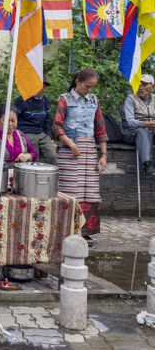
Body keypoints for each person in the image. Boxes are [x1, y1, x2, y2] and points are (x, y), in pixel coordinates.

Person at [52, 68, 107, 246]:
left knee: (89, 191)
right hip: (70, 149)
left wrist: (103, 155)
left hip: (89, 149)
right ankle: (67, 230)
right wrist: (71, 144)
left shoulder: (94, 100)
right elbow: (57, 126)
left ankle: (85, 232)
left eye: (92, 87)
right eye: (87, 86)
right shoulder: (65, 99)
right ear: (77, 81)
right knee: (70, 190)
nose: (89, 90)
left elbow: (100, 128)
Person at [13, 81, 57, 165]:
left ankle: (47, 176)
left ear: (45, 87)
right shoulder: (22, 99)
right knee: (34, 156)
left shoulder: (45, 101)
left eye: (40, 86)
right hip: (26, 132)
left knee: (52, 155)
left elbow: (47, 122)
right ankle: (34, 177)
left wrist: (50, 138)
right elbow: (13, 118)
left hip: (41, 133)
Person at [122, 74, 155, 175]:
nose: (141, 87)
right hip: (132, 133)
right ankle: (147, 164)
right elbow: (130, 122)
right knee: (142, 131)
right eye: (139, 84)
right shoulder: (130, 99)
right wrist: (144, 124)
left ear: (153, 87)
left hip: (152, 131)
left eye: (145, 84)